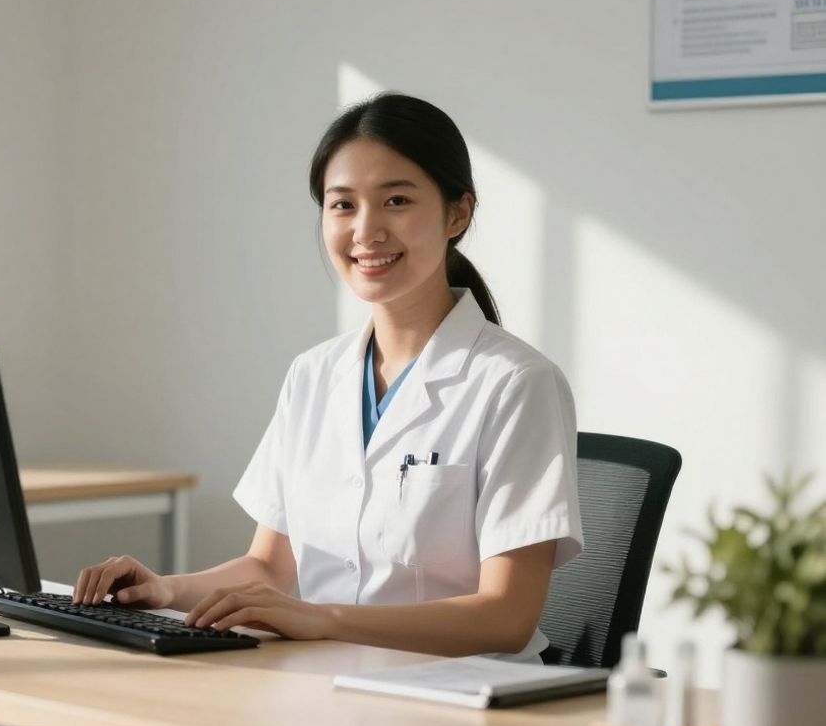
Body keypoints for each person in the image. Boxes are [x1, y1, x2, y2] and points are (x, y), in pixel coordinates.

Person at [72, 93, 583, 661]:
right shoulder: (313, 375)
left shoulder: (516, 383)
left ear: (457, 214)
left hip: (458, 698)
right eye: (343, 205)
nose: (366, 231)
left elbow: (506, 617)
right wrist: (164, 589)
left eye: (396, 200)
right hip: (319, 683)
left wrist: (321, 619)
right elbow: (269, 565)